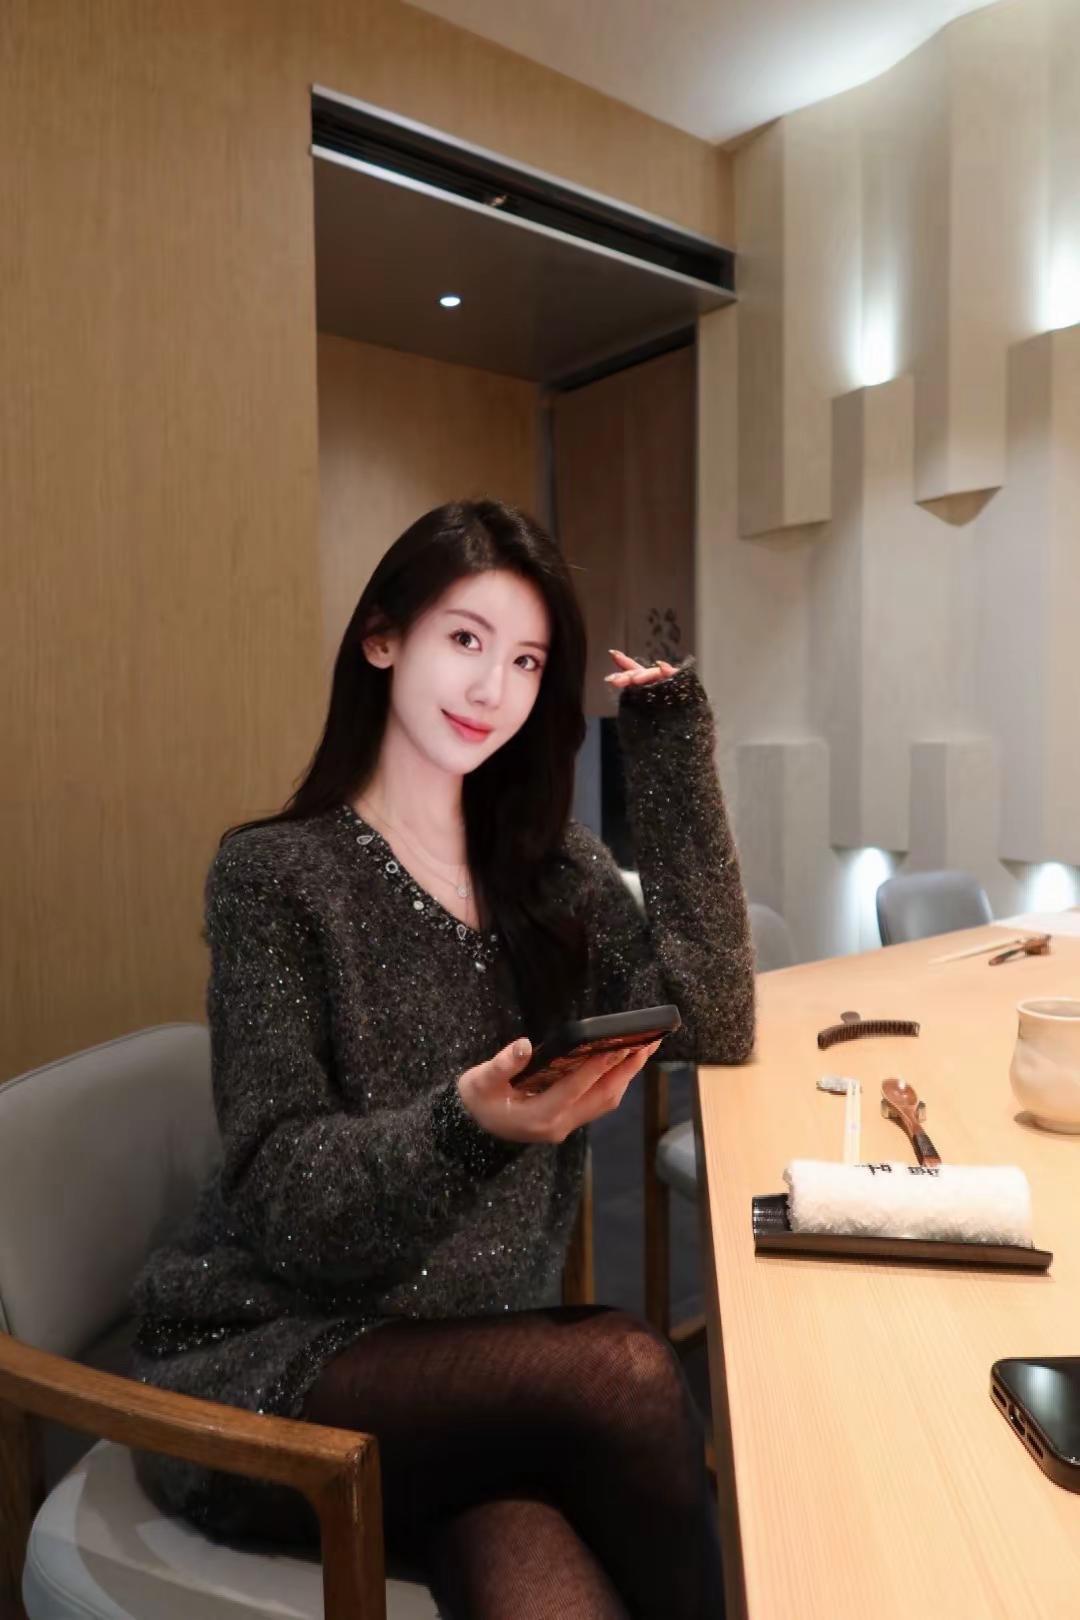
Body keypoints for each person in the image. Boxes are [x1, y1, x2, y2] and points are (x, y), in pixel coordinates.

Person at [131, 497, 755, 1618]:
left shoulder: (552, 872)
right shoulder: (277, 878)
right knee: (624, 1371)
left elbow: (714, 1017)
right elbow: (284, 1204)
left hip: (482, 1378)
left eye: (526, 661)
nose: (492, 689)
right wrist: (468, 1130)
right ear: (383, 638)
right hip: (280, 1361)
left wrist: (668, 750)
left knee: (539, 1570)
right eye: (465, 639)